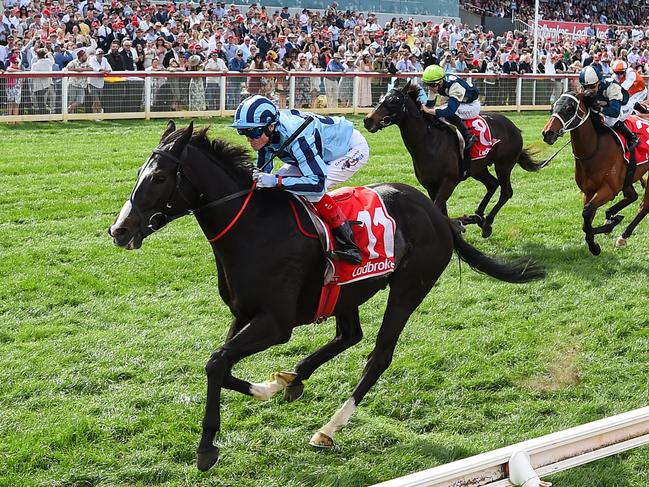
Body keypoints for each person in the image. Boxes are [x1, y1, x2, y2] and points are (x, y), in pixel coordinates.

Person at [232, 95, 371, 264]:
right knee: (280, 183)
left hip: (350, 149)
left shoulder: (297, 137)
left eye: (253, 132)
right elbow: (262, 172)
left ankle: (349, 245)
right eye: (243, 132)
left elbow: (317, 184)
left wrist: (276, 181)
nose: (249, 138)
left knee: (311, 192)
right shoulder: (268, 134)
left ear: (271, 126)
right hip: (315, 152)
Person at [579, 65, 639, 185]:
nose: (589, 90)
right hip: (607, 104)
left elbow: (614, 112)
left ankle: (632, 137)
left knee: (610, 120)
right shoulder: (588, 88)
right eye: (586, 87)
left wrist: (599, 108)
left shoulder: (612, 87)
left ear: (599, 82)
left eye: (592, 87)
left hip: (623, 106)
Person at [420, 64, 479, 180]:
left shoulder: (455, 86)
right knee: (437, 112)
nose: (430, 88)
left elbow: (450, 111)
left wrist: (429, 110)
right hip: (462, 102)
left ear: (440, 82)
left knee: (449, 112)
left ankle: (468, 137)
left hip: (471, 105)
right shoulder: (435, 83)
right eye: (427, 84)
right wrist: (425, 109)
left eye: (432, 85)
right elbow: (430, 104)